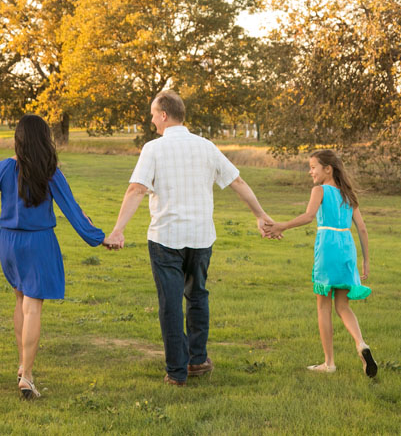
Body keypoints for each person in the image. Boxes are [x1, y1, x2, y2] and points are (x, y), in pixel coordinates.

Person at [103, 90, 279, 386]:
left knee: (171, 302)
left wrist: (118, 229)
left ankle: (177, 371)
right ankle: (196, 360)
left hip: (166, 238)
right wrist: (260, 214)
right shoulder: (206, 147)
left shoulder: (154, 149)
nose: (151, 121)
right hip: (200, 237)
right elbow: (237, 180)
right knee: (197, 296)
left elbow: (136, 189)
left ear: (163, 115)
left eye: (152, 115)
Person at [0, 114, 105, 399]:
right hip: (38, 242)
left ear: (18, 139)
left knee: (20, 300)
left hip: (8, 243)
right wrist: (99, 237)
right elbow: (73, 209)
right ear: (45, 140)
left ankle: (22, 365)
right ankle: (27, 377)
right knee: (32, 307)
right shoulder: (50, 172)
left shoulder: (3, 168)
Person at [262, 149, 376, 377]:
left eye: (313, 167)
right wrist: (365, 260)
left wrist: (281, 225)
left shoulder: (320, 190)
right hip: (347, 247)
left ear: (327, 169)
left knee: (323, 305)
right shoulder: (348, 195)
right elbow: (362, 228)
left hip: (327, 247)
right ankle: (361, 343)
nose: (310, 171)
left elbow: (308, 216)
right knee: (343, 306)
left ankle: (329, 363)